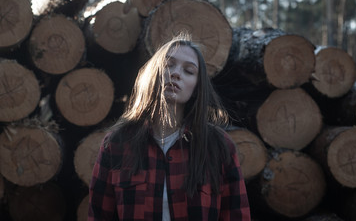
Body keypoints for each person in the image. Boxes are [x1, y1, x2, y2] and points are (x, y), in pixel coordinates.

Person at [88, 33, 251, 221]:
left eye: (188, 71)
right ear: (153, 73)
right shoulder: (117, 143)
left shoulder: (218, 145)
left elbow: (236, 215)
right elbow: (99, 215)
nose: (176, 73)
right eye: (168, 64)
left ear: (197, 87)